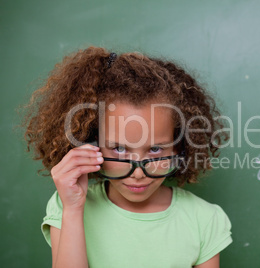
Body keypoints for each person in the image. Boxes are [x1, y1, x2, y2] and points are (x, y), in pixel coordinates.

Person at [22, 46, 232, 268]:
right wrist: (73, 210)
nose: (139, 174)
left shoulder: (205, 219)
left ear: (179, 147)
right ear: (90, 143)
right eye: (120, 149)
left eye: (155, 150)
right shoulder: (68, 206)